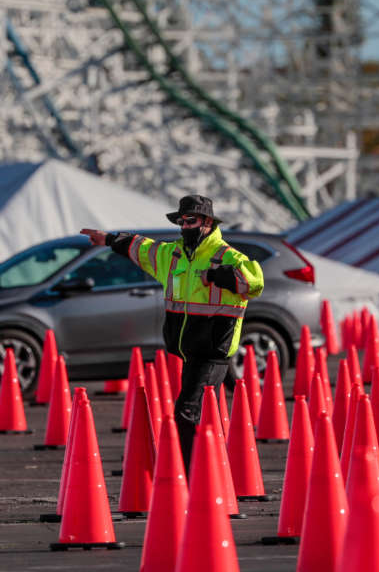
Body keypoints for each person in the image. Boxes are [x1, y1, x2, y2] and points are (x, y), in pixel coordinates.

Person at [80, 194, 264, 473]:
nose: (184, 226)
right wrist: (107, 239)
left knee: (187, 413)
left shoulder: (226, 256)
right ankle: (214, 468)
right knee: (208, 411)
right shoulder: (172, 255)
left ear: (207, 222)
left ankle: (188, 479)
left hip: (212, 352)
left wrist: (216, 276)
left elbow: (254, 283)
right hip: (190, 350)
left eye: (190, 220)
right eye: (181, 221)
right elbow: (141, 248)